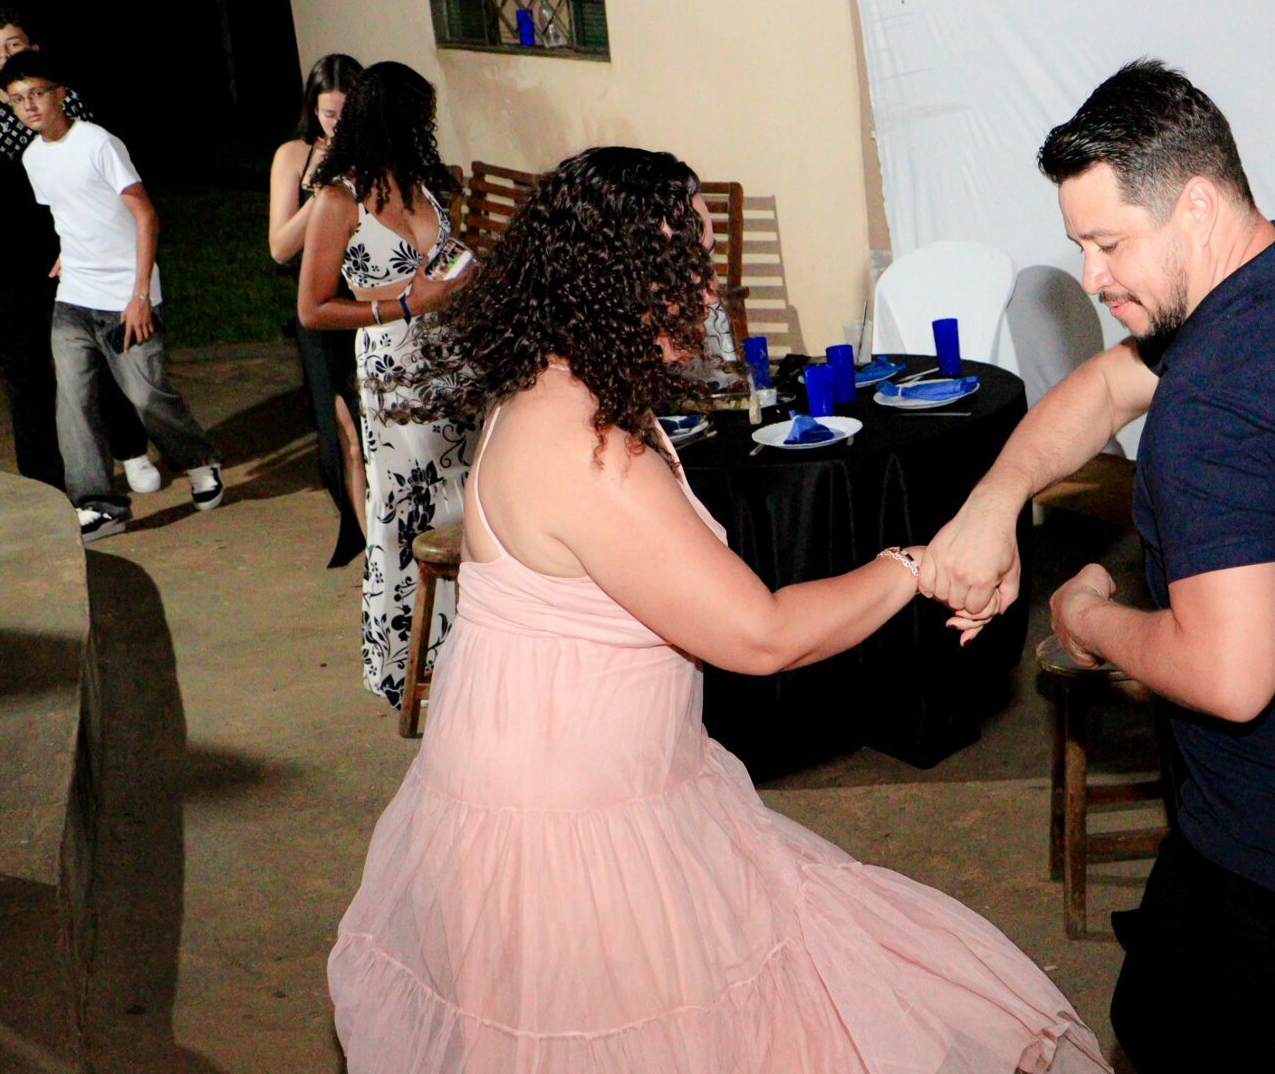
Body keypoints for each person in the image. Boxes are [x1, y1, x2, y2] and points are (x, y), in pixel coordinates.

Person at [326, 146, 1105, 1073]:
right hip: (572, 824)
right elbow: (761, 635)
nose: (709, 287)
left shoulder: (560, 392)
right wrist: (917, 565)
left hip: (573, 782)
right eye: (689, 261)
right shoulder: (586, 449)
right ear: (625, 278)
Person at [921, 60, 1275, 1072]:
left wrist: (1087, 615)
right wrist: (994, 502)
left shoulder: (1211, 404)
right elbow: (1104, 388)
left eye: (1109, 243)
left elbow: (1227, 674)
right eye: (1079, 247)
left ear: (1197, 205)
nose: (1092, 276)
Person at [297, 61, 474, 708]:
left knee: (467, 502)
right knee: (411, 507)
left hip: (454, 365)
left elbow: (441, 265)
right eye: (417, 117)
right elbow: (313, 308)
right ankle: (411, 663)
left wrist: (463, 277)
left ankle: (471, 656)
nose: (426, 128)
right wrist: (403, 305)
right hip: (394, 370)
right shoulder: (338, 199)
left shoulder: (426, 184)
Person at [0, 50, 224, 540]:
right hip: (74, 297)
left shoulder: (98, 143)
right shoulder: (33, 158)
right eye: (18, 99)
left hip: (126, 295)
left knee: (146, 396)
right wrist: (68, 253)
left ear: (60, 94)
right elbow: (69, 212)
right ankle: (100, 504)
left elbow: (145, 214)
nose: (29, 105)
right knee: (74, 402)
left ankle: (199, 461)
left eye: (37, 93)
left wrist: (139, 294)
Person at [0, 7, 154, 492]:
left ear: (32, 48)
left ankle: (131, 448)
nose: (4, 54)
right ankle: (43, 477)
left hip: (68, 246)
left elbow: (100, 175)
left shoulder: (62, 97)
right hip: (3, 257)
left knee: (96, 351)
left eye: (13, 43)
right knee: (24, 368)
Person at [269, 52, 366, 567]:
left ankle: (388, 540)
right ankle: (370, 546)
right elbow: (279, 248)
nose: (338, 124)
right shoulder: (294, 156)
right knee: (345, 433)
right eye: (329, 114)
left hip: (373, 301)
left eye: (347, 113)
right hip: (322, 306)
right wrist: (324, 193)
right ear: (313, 110)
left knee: (374, 432)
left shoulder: (379, 153)